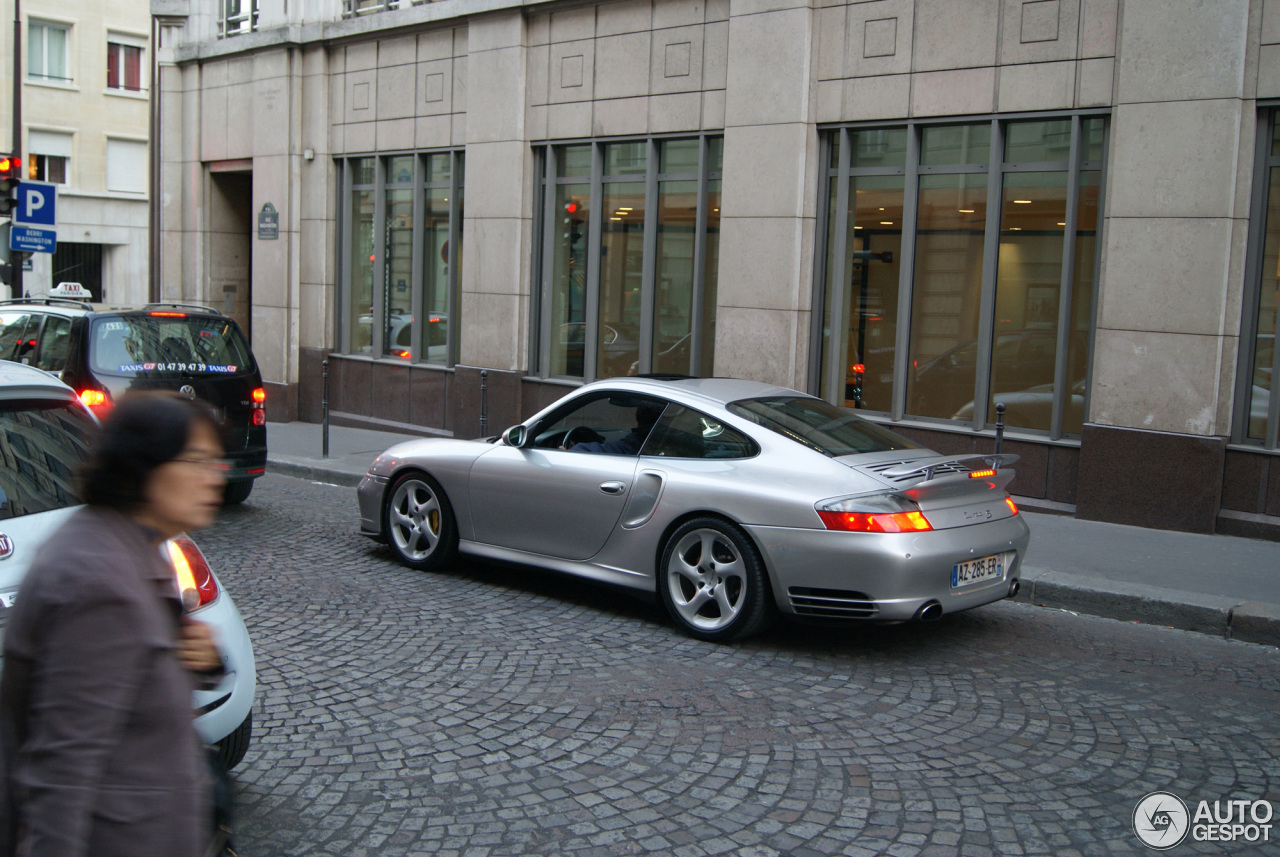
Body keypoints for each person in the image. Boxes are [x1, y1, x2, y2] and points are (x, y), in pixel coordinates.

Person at [0, 392, 228, 857]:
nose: (214, 478)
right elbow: (62, 772)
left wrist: (199, 660)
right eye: (198, 461)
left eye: (217, 462)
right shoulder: (99, 582)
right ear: (146, 467)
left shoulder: (133, 546)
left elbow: (131, 689)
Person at [567, 399, 665, 455]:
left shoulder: (632, 446)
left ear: (638, 422)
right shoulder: (674, 442)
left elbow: (599, 450)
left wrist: (569, 452)